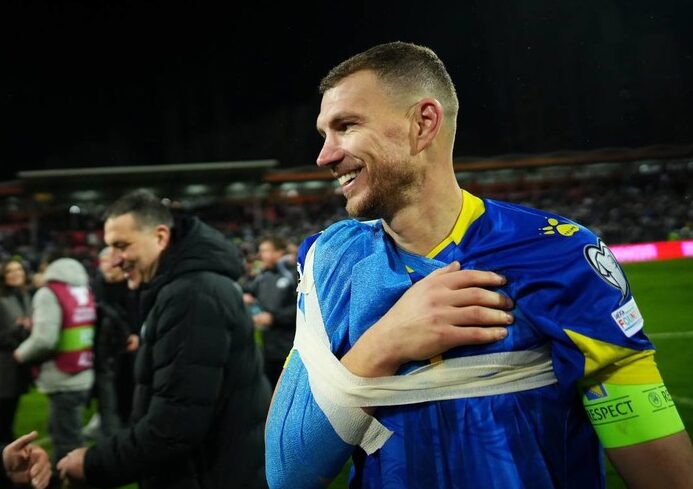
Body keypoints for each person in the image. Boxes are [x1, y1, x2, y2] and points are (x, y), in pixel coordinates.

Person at [265, 42, 693, 488]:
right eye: (324, 134)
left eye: (346, 126)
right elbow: (287, 472)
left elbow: (663, 473)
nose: (325, 156)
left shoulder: (559, 255)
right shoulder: (332, 260)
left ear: (423, 124)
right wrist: (385, 344)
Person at [57, 189, 271, 489]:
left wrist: (92, 463)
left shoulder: (191, 295)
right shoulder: (186, 286)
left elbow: (175, 425)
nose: (114, 260)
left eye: (122, 246)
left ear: (160, 237)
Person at [13, 254, 95, 468]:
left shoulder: (49, 293)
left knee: (66, 441)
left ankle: (69, 476)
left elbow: (44, 340)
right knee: (68, 432)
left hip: (62, 375)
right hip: (82, 369)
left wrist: (22, 353)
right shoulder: (82, 289)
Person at [87, 246, 139, 439]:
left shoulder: (133, 286)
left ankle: (125, 427)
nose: (110, 265)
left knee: (127, 390)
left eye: (114, 261)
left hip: (127, 351)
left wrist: (136, 334)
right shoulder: (93, 287)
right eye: (106, 261)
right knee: (104, 393)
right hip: (102, 351)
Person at [243, 236, 297, 387]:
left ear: (279, 252)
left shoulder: (293, 274)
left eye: (265, 251)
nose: (261, 255)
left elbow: (301, 308)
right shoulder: (262, 276)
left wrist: (274, 318)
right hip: (265, 347)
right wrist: (245, 297)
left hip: (288, 346)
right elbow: (248, 291)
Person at [0, 258, 33, 445]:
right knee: (4, 408)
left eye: (19, 269)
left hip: (18, 362)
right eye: (10, 271)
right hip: (3, 364)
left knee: (11, 408)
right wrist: (18, 328)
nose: (15, 273)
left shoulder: (24, 295)